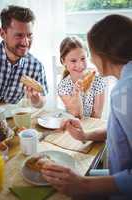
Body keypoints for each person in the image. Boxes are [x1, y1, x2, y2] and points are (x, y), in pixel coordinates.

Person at [41, 14, 132, 200]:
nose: (87, 62)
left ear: (102, 54)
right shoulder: (123, 85)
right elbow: (120, 129)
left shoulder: (126, 92)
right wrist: (86, 135)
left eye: (89, 54)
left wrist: (84, 185)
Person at [0, 5, 48, 107]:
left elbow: (42, 100)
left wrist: (37, 100)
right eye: (19, 35)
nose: (25, 42)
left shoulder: (36, 66)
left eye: (29, 35)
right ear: (3, 33)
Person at [58, 36, 105, 118]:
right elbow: (77, 115)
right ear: (63, 61)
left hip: (93, 127)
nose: (80, 65)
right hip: (73, 125)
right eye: (73, 61)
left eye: (83, 58)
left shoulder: (98, 81)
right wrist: (76, 93)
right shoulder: (63, 86)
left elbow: (97, 116)